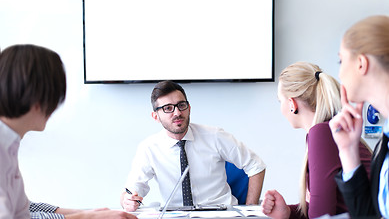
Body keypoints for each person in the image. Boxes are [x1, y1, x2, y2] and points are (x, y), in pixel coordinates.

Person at [0, 44, 136, 219]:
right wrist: (87, 217)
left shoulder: (9, 144)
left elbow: (25, 210)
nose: (55, 107)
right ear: (37, 97)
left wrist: (86, 213)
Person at [120, 80, 266, 212]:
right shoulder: (149, 148)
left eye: (181, 105)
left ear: (189, 108)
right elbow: (131, 190)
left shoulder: (214, 136)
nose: (177, 113)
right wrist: (127, 200)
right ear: (155, 116)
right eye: (168, 108)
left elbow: (256, 165)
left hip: (220, 214)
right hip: (175, 215)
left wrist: (250, 210)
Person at [261, 62, 372, 219]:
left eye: (281, 101)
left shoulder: (322, 133)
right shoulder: (327, 130)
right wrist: (288, 212)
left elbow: (321, 215)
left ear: (292, 104)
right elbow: (326, 209)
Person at [329, 15, 389, 218]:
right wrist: (348, 151)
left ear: (361, 63)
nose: (339, 74)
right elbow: (368, 215)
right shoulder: (384, 143)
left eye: (341, 60)